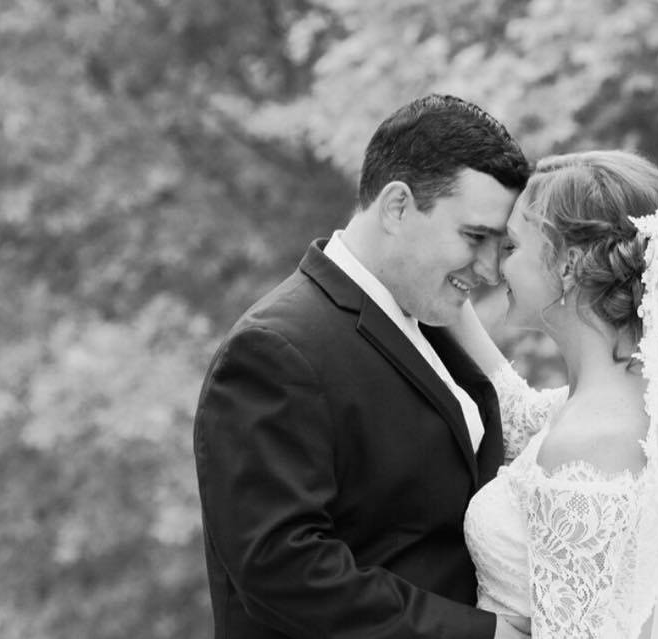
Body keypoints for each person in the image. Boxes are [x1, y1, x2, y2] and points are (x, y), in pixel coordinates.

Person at [193, 95, 531, 638]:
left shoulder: (435, 321)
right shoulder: (275, 350)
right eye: (475, 237)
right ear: (397, 206)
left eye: (501, 244)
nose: (492, 269)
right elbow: (283, 567)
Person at [452, 150, 658, 638]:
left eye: (511, 248)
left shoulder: (592, 438)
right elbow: (518, 412)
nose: (495, 267)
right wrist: (433, 282)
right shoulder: (622, 402)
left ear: (566, 265)